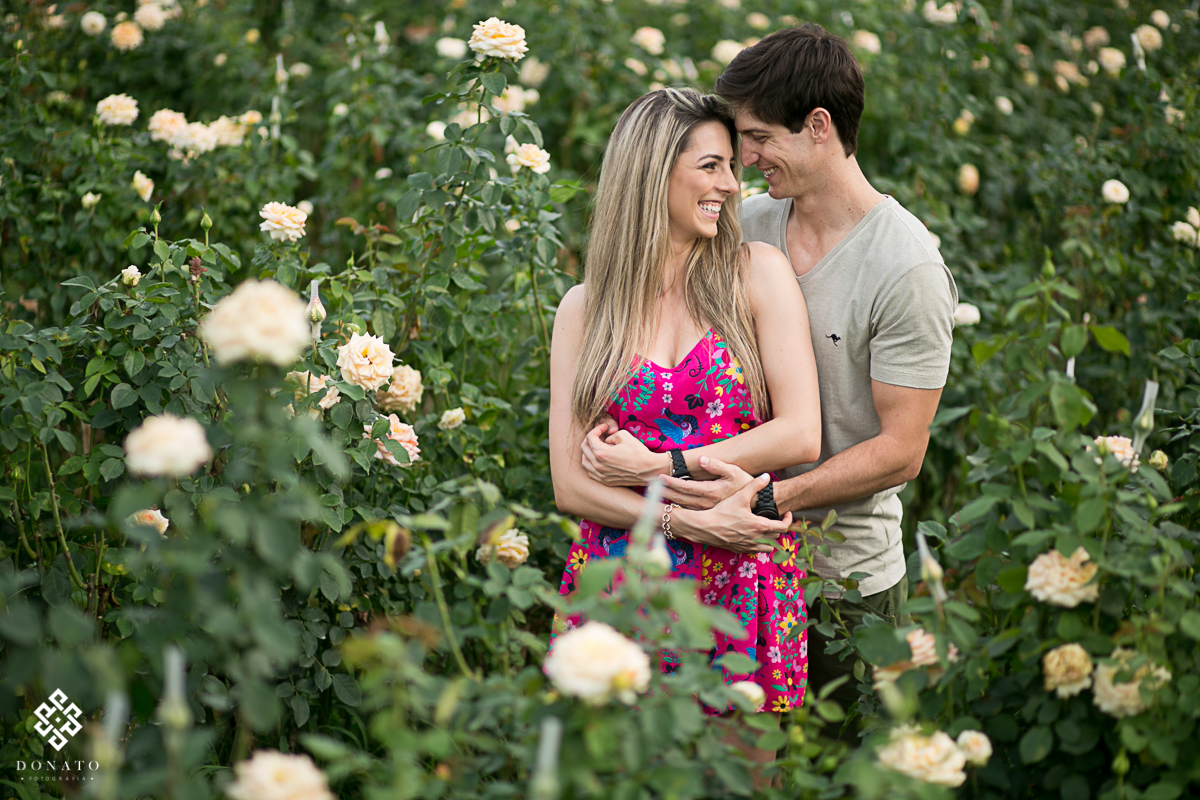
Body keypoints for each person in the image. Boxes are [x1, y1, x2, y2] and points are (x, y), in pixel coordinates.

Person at [547, 88, 823, 725]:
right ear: (650, 172)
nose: (730, 184)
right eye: (711, 166)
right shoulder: (585, 311)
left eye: (732, 165)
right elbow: (571, 484)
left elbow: (801, 434)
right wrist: (689, 524)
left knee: (742, 773)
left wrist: (663, 467)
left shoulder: (755, 272)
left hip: (744, 575)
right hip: (622, 579)